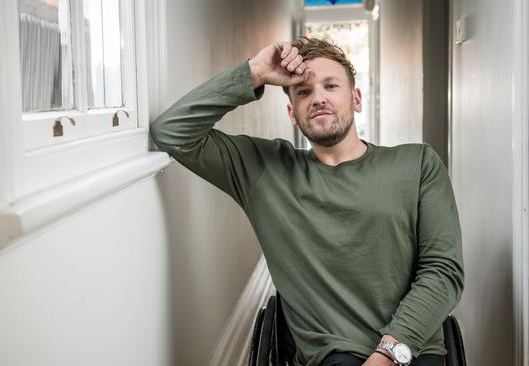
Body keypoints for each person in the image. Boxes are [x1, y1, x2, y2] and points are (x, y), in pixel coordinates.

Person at [149, 37, 464, 366]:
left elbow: (443, 271)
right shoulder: (266, 170)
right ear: (291, 112)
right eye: (303, 91)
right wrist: (254, 72)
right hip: (331, 357)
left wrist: (387, 354)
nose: (319, 98)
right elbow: (171, 132)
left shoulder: (417, 164)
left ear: (356, 98)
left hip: (410, 349)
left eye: (331, 85)